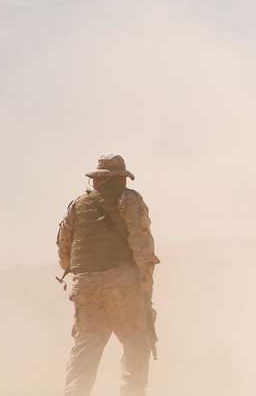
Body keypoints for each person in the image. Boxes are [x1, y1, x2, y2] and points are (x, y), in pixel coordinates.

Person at [56, 154, 159, 396]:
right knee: (136, 345)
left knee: (84, 356)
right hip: (122, 287)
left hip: (85, 289)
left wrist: (85, 278)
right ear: (121, 178)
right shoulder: (129, 200)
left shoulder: (77, 206)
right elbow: (142, 245)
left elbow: (64, 251)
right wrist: (146, 286)